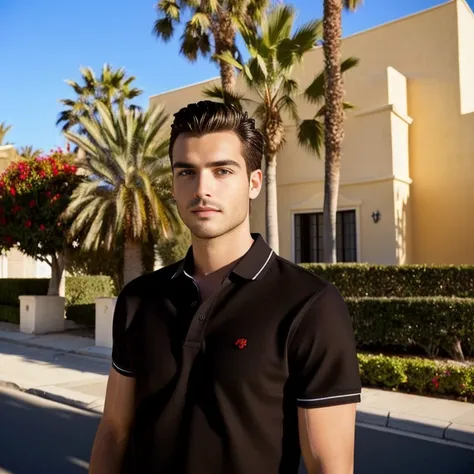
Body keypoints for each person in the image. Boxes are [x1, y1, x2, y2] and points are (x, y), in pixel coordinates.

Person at [88, 100, 361, 474]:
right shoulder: (139, 299)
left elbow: (328, 465)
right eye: (186, 172)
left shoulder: (310, 305)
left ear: (253, 182)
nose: (202, 189)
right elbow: (114, 431)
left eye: (222, 171)